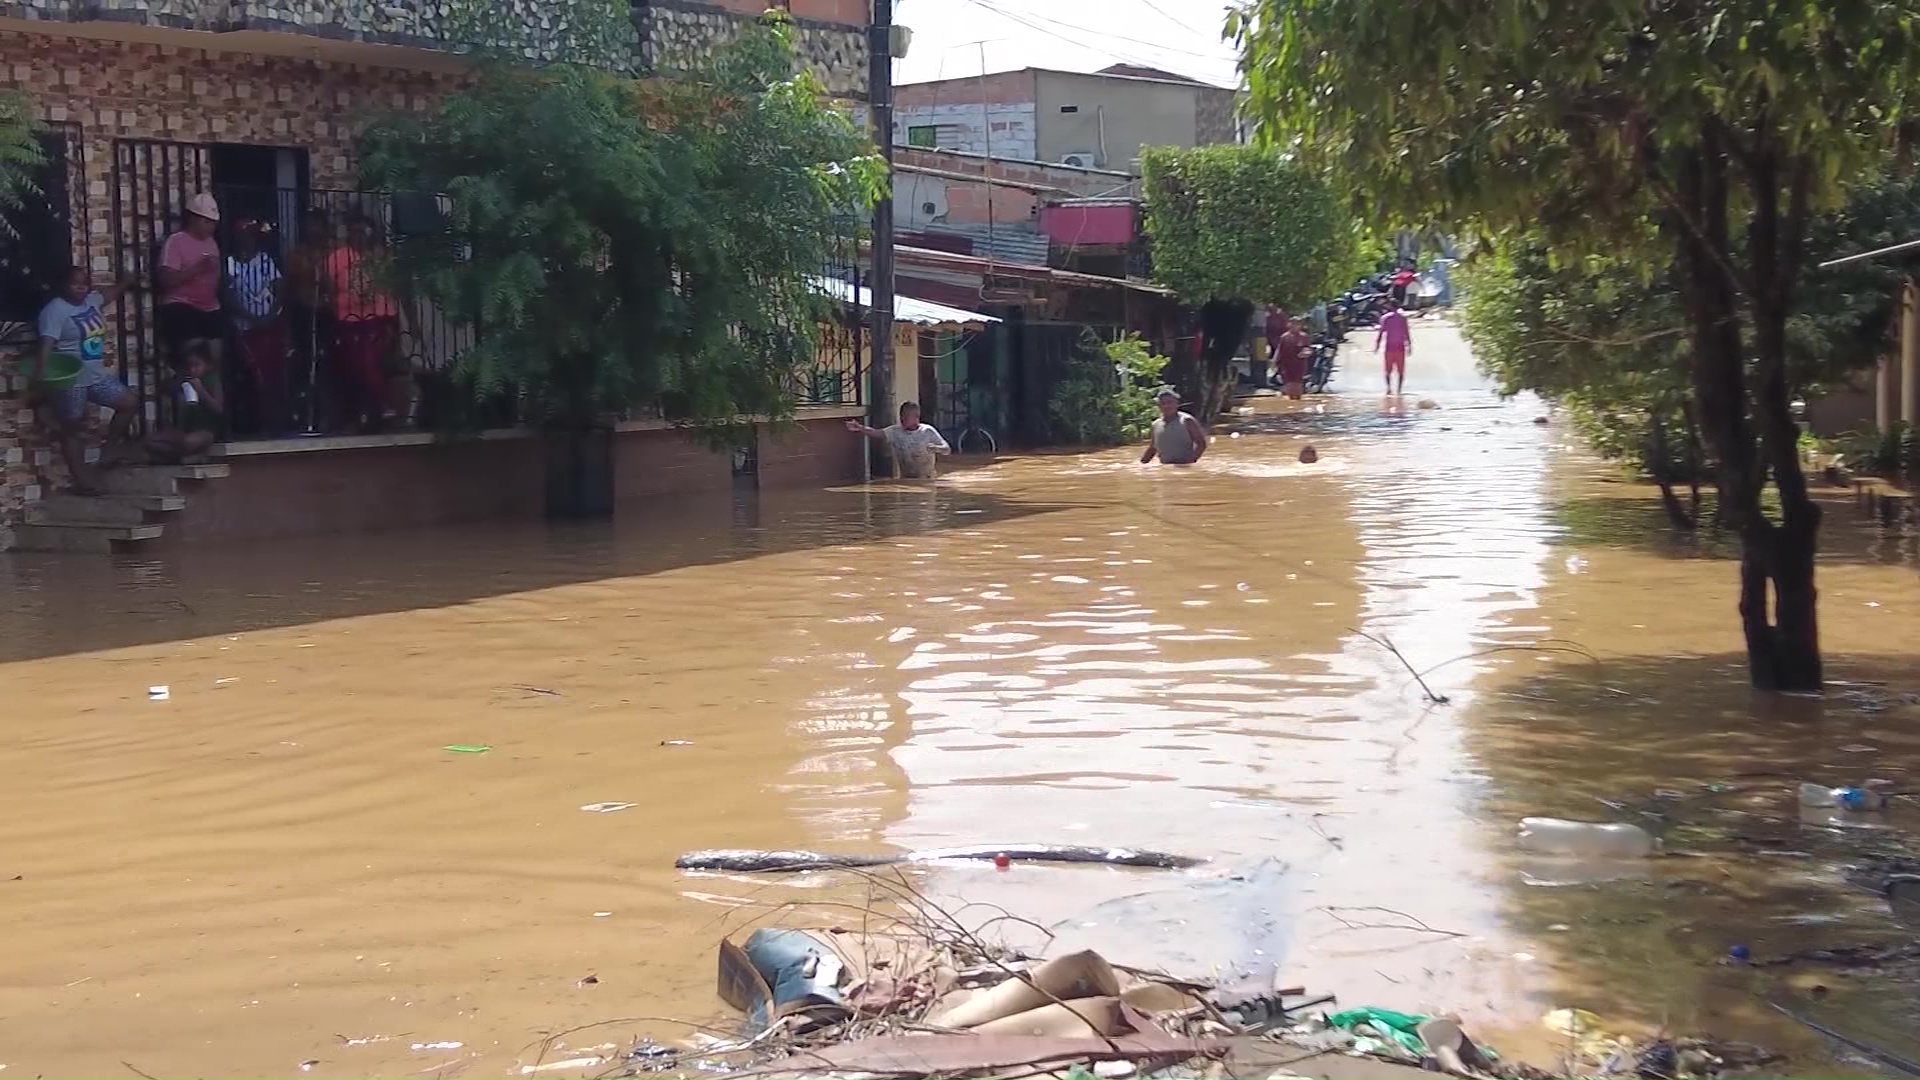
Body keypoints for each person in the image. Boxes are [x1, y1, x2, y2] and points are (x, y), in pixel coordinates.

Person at [32, 267, 141, 494]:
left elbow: (108, 294)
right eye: (75, 283)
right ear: (63, 285)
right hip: (71, 379)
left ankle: (109, 453)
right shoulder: (54, 311)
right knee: (73, 428)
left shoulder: (90, 301)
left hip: (95, 376)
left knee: (129, 403)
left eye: (84, 283)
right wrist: (41, 380)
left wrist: (126, 281)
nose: (81, 287)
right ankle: (82, 481)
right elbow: (46, 346)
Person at [324, 213, 404, 431]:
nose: (358, 236)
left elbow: (394, 287)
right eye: (354, 231)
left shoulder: (381, 256)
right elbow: (330, 291)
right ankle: (370, 411)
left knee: (370, 362)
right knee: (355, 366)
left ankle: (385, 405)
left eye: (363, 231)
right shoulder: (337, 258)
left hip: (378, 318)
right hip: (348, 319)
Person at [225, 218, 288, 435]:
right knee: (254, 374)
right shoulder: (231, 263)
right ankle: (255, 421)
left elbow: (279, 289)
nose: (246, 240)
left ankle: (275, 421)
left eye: (250, 236)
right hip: (245, 328)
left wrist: (269, 315)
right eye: (243, 236)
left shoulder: (265, 260)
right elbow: (229, 295)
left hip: (270, 326)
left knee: (273, 373)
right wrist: (250, 317)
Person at [155, 192, 224, 377]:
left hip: (209, 308)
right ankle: (190, 399)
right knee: (191, 360)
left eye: (214, 223)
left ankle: (214, 402)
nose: (211, 227)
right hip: (182, 306)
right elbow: (165, 279)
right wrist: (196, 270)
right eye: (207, 222)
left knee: (216, 359)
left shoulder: (212, 243)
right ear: (193, 219)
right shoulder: (176, 241)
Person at [147, 340, 223, 464]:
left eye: (197, 365)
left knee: (188, 442)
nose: (192, 370)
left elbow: (218, 408)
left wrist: (201, 391)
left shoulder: (212, 380)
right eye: (189, 366)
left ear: (207, 365)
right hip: (184, 431)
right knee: (149, 442)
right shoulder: (185, 382)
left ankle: (185, 456)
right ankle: (182, 458)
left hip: (205, 431)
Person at [846, 401, 950, 479]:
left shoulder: (927, 431)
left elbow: (947, 449)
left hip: (927, 480)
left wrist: (937, 448)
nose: (902, 419)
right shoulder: (895, 431)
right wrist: (859, 427)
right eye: (901, 416)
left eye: (906, 416)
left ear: (916, 417)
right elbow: (877, 432)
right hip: (906, 480)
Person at [1140, 389, 1207, 465]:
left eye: (1170, 402)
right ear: (1159, 406)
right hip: (1165, 468)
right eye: (1163, 403)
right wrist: (1141, 465)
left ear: (1176, 403)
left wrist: (1190, 461)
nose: (1167, 406)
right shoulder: (1156, 424)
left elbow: (1201, 443)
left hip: (1185, 467)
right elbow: (1152, 448)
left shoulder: (1187, 420)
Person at [1375, 297, 1412, 395]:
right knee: (1400, 370)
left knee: (1388, 370)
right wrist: (1409, 345)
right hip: (1400, 347)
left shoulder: (1385, 318)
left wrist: (1377, 345)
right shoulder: (1403, 318)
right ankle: (1399, 390)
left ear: (1390, 306)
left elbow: (1381, 332)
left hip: (1389, 347)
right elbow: (1406, 332)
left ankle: (1388, 388)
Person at [1275, 316, 1311, 400]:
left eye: (1297, 324)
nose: (1294, 326)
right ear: (1289, 325)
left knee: (1298, 382)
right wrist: (1275, 361)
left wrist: (1306, 353)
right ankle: (1291, 399)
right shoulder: (1284, 337)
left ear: (1300, 325)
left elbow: (1308, 348)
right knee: (1289, 382)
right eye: (1292, 323)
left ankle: (1298, 399)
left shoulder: (1304, 336)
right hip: (1287, 363)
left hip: (1299, 363)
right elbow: (1279, 350)